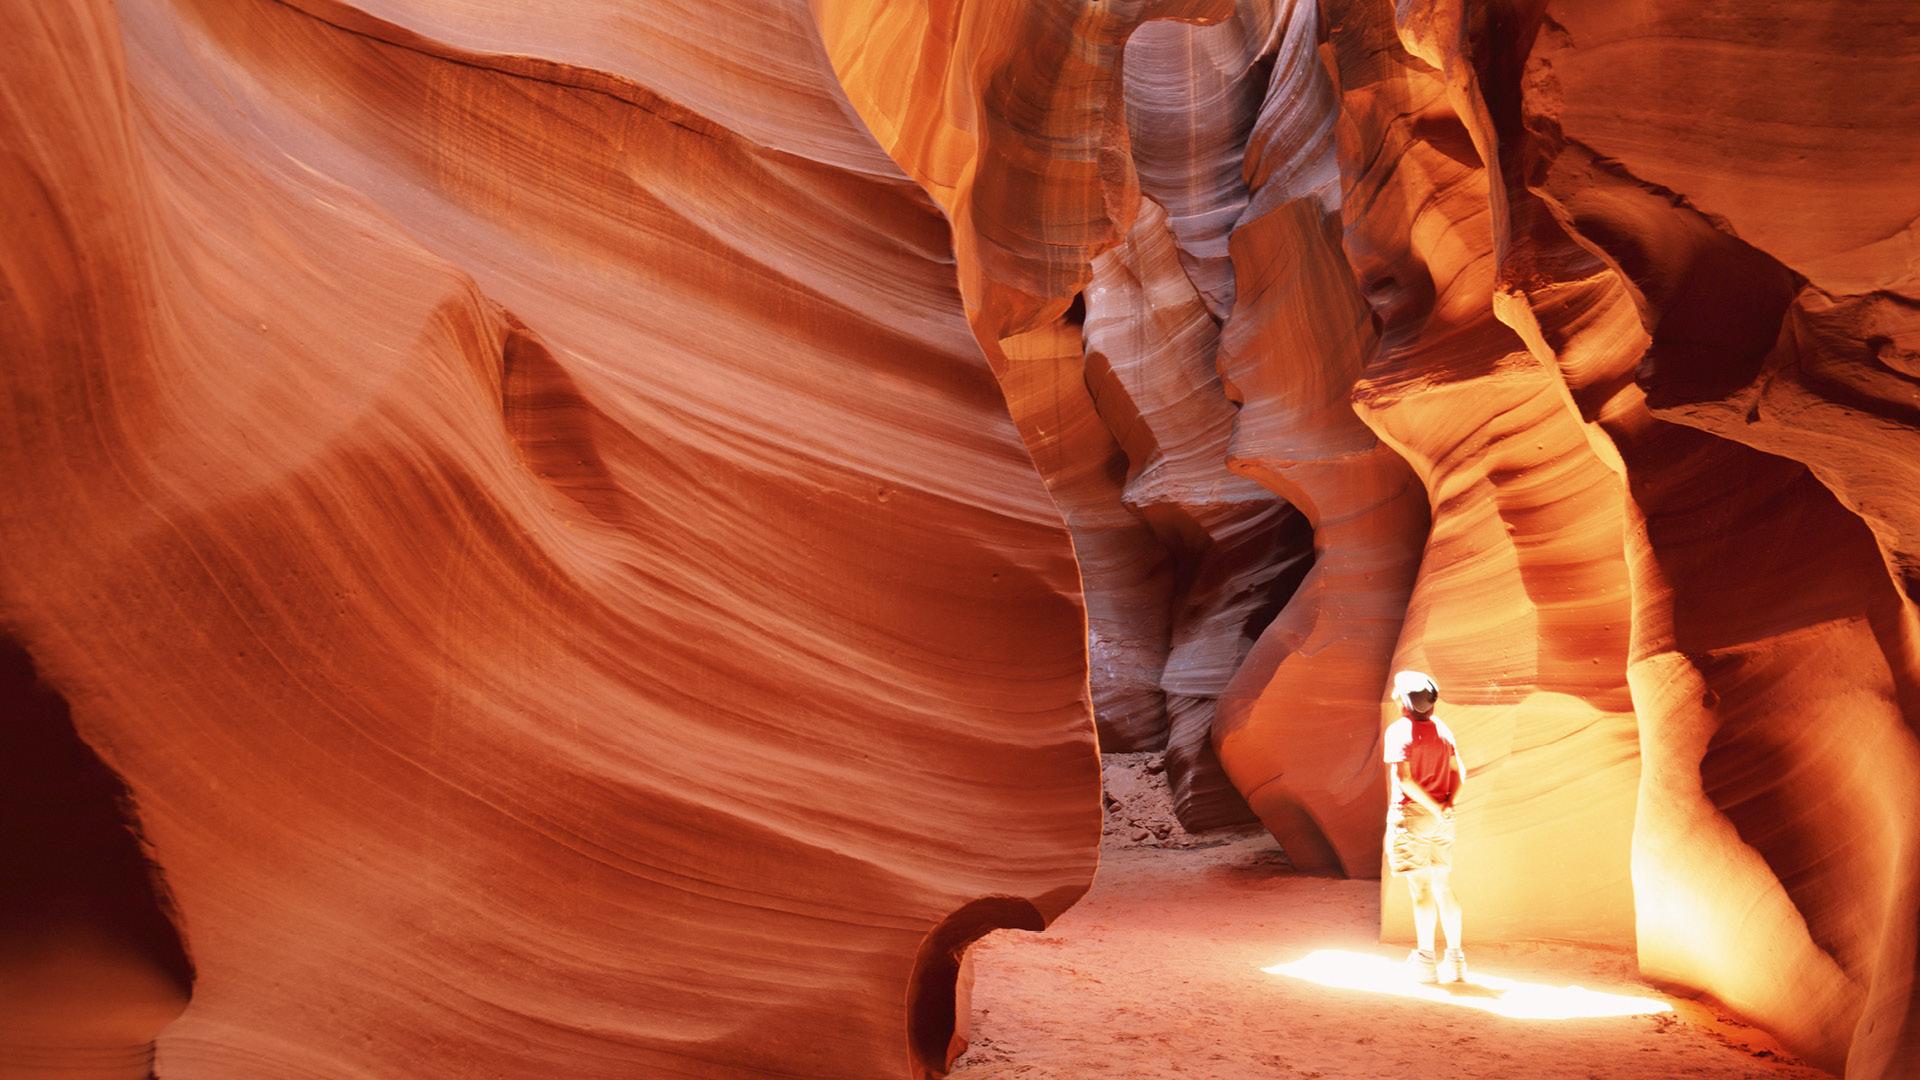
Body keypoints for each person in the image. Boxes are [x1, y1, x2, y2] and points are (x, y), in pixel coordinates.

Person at [1383, 669, 1467, 984]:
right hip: (1443, 817)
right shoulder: (1443, 729)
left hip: (1413, 815)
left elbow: (1405, 779)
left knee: (1420, 889)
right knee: (1444, 886)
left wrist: (1432, 807)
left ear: (1403, 700)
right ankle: (1456, 960)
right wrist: (1447, 805)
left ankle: (1426, 961)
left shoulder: (1399, 730)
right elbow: (1460, 771)